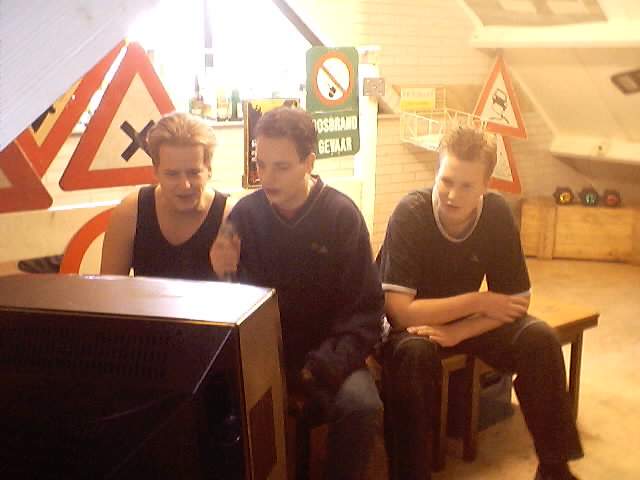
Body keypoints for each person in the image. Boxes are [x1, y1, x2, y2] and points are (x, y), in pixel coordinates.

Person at [378, 125, 583, 480]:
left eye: (467, 186)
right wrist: (477, 300)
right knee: (413, 358)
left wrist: (461, 330)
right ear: (436, 172)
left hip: (463, 323)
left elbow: (517, 301)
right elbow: (399, 312)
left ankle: (554, 468)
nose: (452, 195)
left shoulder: (496, 213)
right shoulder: (410, 213)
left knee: (540, 338)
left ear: (486, 186)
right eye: (446, 181)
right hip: (411, 328)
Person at [210, 106, 383, 479]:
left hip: (331, 352)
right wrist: (221, 275)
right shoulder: (244, 215)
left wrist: (320, 368)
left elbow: (365, 312)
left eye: (282, 167)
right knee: (212, 405)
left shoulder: (341, 215)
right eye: (261, 164)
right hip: (262, 356)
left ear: (309, 162)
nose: (267, 177)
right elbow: (229, 307)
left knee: (360, 405)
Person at [101, 112, 230, 279]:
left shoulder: (230, 218)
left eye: (193, 173)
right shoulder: (130, 213)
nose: (184, 185)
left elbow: (245, 291)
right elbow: (110, 290)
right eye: (172, 174)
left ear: (209, 170)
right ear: (156, 171)